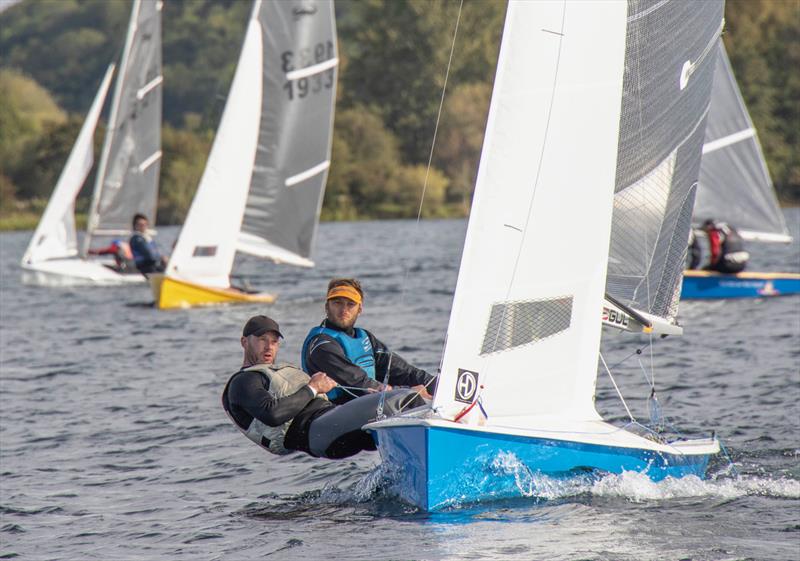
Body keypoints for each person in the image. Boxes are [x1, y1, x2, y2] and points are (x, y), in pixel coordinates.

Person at [222, 315, 426, 459]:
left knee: (398, 416)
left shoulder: (280, 370)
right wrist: (313, 387)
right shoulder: (243, 381)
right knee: (405, 399)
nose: (269, 347)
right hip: (316, 431)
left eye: (274, 341)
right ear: (244, 342)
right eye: (262, 340)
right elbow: (272, 414)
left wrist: (365, 399)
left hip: (331, 424)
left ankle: (416, 467)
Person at [301, 278, 436, 404]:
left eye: (350, 304)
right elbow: (358, 383)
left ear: (360, 309)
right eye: (337, 303)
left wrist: (440, 385)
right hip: (333, 411)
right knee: (413, 399)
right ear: (326, 307)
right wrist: (407, 392)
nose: (344, 310)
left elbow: (403, 371)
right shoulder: (321, 343)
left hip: (366, 406)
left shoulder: (365, 337)